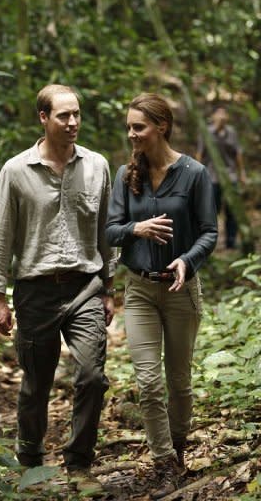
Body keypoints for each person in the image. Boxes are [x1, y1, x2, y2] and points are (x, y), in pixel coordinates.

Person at [0, 84, 117, 497]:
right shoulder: (16, 170)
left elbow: (106, 232)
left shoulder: (97, 166)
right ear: (43, 117)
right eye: (64, 116)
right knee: (35, 384)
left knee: (92, 377)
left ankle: (79, 463)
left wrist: (110, 288)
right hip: (35, 290)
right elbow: (2, 232)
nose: (73, 122)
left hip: (85, 287)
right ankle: (31, 465)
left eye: (77, 114)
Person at [105, 93, 218, 499]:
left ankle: (179, 448)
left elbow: (209, 231)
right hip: (138, 289)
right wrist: (136, 230)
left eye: (139, 127)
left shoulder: (194, 173)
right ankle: (163, 461)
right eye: (129, 127)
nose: (131, 134)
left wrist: (188, 260)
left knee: (179, 382)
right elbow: (109, 229)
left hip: (180, 290)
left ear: (162, 126)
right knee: (148, 381)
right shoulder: (125, 175)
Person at [196, 106, 247, 249]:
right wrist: (198, 175)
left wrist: (242, 173)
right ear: (212, 117)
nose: (222, 116)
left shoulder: (232, 132)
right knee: (211, 210)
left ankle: (231, 242)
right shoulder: (206, 132)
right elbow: (199, 153)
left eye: (224, 113)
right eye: (219, 113)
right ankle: (208, 241)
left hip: (230, 177)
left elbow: (238, 154)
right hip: (211, 177)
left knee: (232, 210)